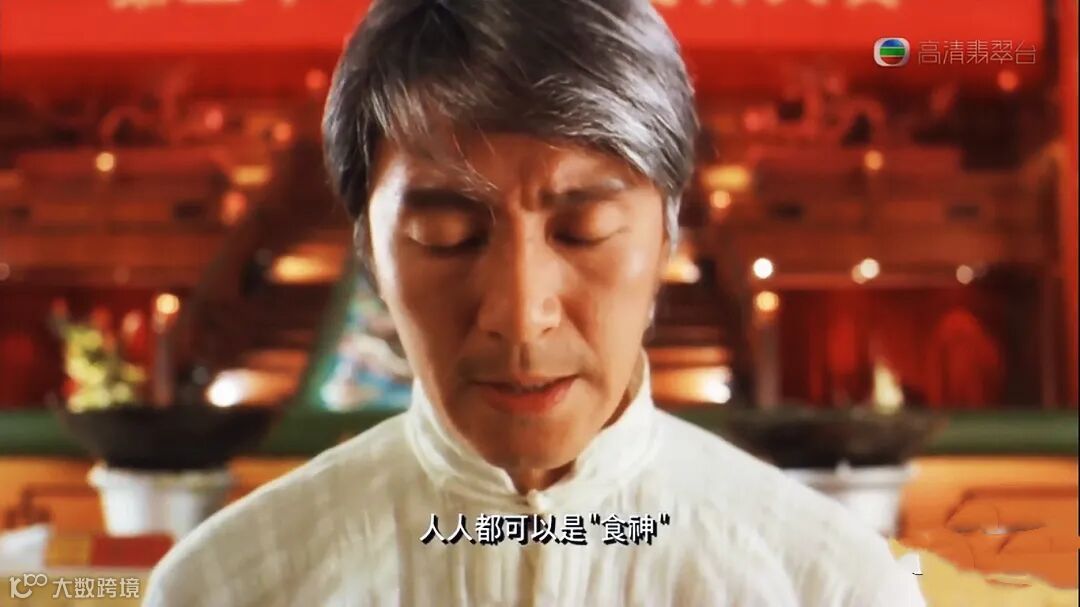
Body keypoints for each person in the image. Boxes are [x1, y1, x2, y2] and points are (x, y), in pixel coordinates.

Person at [145, 0, 926, 604]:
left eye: (585, 231)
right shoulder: (227, 586)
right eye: (447, 236)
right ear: (370, 254)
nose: (521, 314)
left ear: (666, 237)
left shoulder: (830, 585)